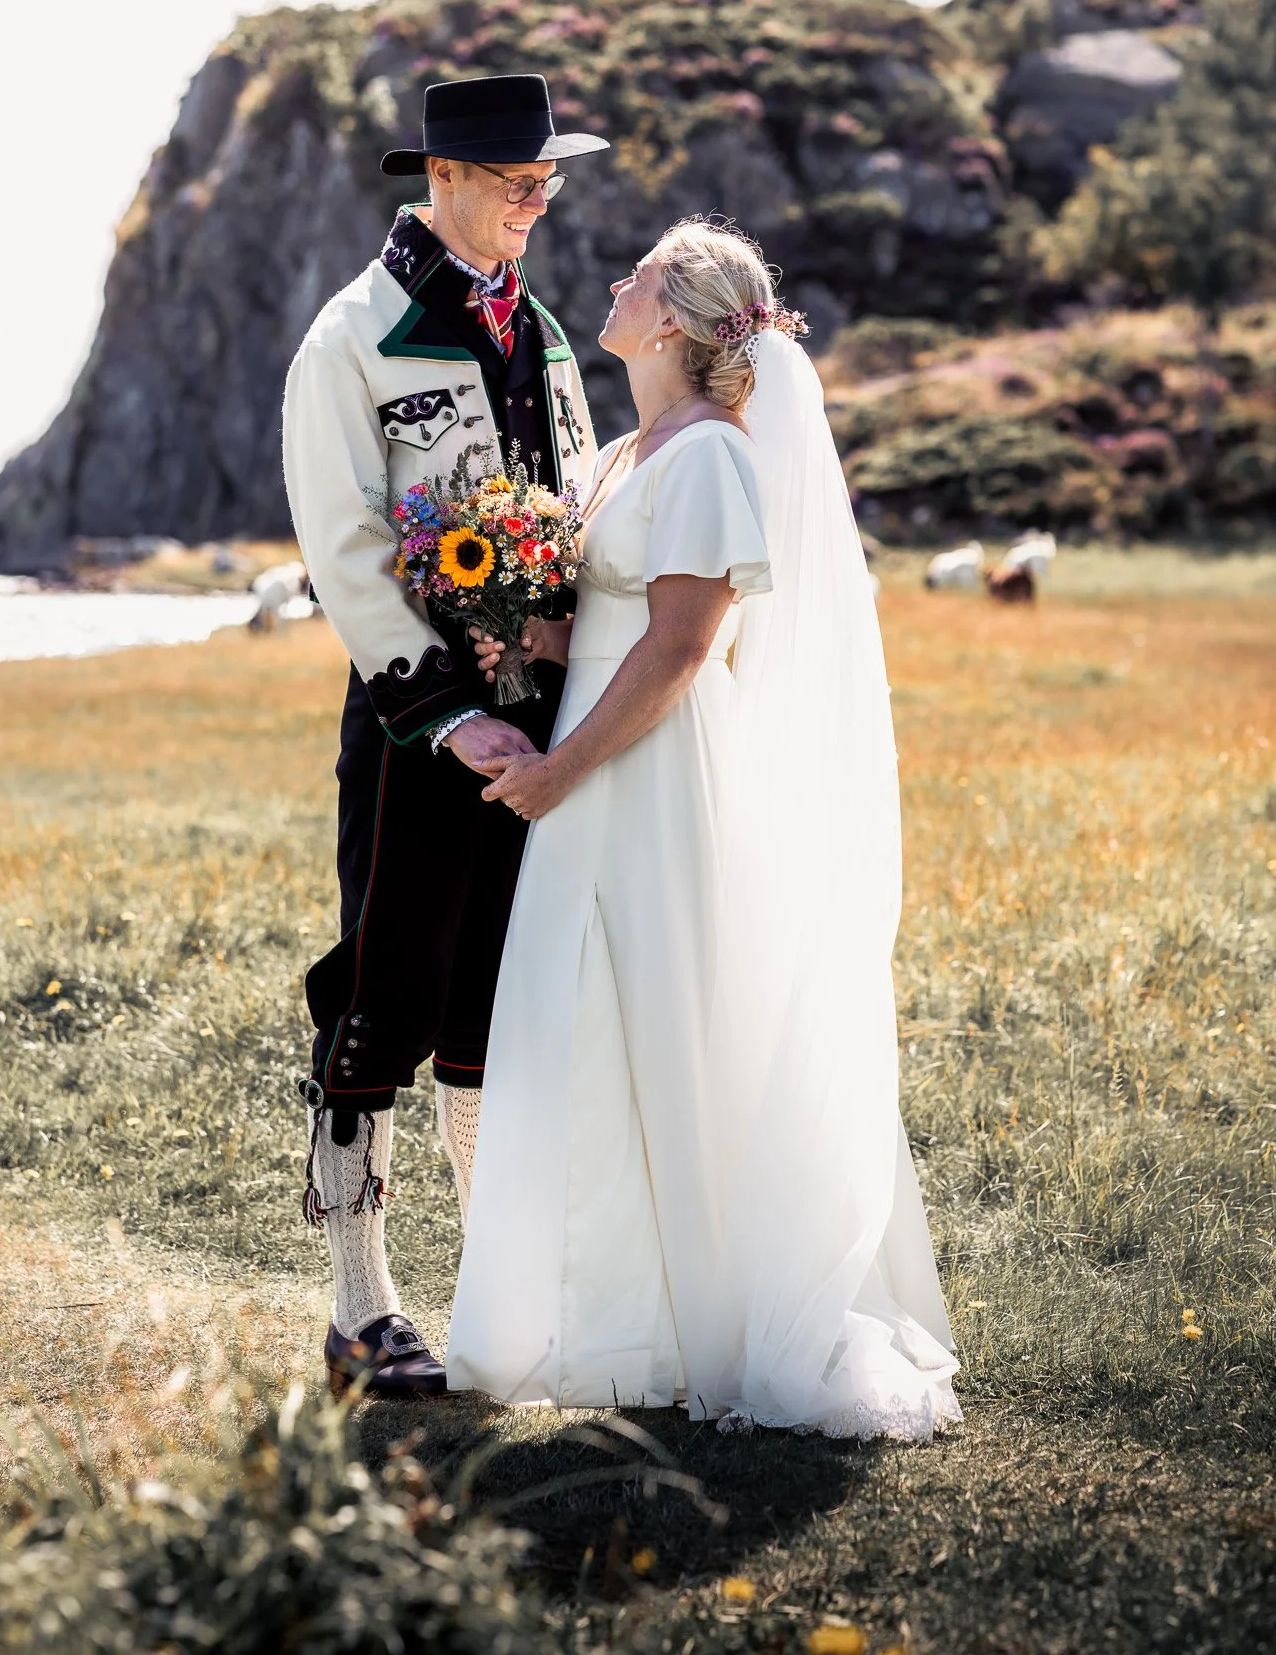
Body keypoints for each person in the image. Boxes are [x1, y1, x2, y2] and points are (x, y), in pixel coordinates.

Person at [447, 218, 961, 1439]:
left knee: (669, 1023)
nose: (614, 284)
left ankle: (710, 1324)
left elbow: (685, 646)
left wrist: (563, 765)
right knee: (584, 1030)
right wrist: (526, 636)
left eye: (637, 276)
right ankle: (618, 1322)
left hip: (651, 772)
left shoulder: (712, 459)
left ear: (671, 319)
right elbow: (620, 621)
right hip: (596, 758)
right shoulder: (632, 451)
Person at [281, 74, 605, 1398]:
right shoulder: (353, 338)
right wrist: (449, 709)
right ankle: (361, 1317)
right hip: (421, 727)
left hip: (545, 725)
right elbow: (345, 548)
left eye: (548, 177)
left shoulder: (547, 332)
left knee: (500, 1004)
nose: (541, 196)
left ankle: (497, 1298)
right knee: (386, 996)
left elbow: (576, 506)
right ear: (443, 179)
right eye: (519, 177)